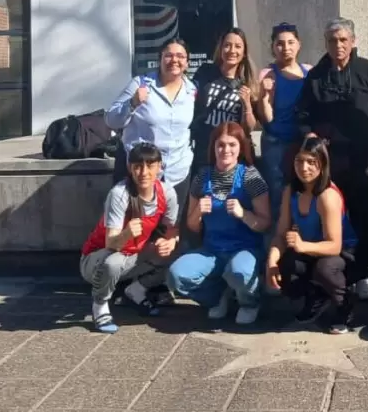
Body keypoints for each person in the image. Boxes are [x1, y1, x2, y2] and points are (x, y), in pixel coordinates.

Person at [296, 18, 368, 300]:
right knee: (330, 217)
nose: (338, 45)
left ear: (353, 41)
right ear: (326, 43)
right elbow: (302, 116)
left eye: (343, 40)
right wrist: (310, 136)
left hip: (362, 160)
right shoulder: (316, 76)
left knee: (363, 217)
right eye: (332, 40)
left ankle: (366, 272)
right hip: (327, 164)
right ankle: (331, 275)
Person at [168, 122, 271, 325]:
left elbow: (265, 223)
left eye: (232, 144)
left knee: (239, 272)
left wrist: (244, 214)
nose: (226, 150)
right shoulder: (202, 177)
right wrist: (198, 212)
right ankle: (217, 297)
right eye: (221, 145)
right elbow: (192, 226)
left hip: (245, 249)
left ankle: (249, 303)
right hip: (212, 251)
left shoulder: (251, 177)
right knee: (176, 275)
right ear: (213, 147)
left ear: (241, 147)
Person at [79, 143, 179, 333]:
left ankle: (136, 291)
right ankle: (100, 305)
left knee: (176, 254)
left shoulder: (167, 193)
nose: (144, 172)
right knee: (113, 262)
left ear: (159, 167)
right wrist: (126, 233)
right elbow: (110, 243)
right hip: (98, 259)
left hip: (134, 255)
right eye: (138, 166)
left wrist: (170, 241)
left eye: (150, 165)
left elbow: (171, 229)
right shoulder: (120, 194)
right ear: (129, 168)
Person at [266, 135, 358, 334]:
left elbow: (334, 246)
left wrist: (302, 246)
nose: (304, 167)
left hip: (343, 253)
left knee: (324, 268)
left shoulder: (327, 196)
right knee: (284, 267)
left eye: (311, 162)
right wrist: (271, 262)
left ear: (322, 165)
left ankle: (345, 305)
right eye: (299, 161)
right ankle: (317, 295)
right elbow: (280, 234)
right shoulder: (291, 191)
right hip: (310, 249)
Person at [105, 39, 195, 208]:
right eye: (168, 55)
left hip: (176, 173)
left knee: (171, 224)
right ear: (160, 59)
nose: (174, 60)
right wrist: (132, 103)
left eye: (180, 56)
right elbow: (111, 119)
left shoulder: (192, 91)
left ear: (187, 63)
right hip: (140, 172)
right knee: (133, 223)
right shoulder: (140, 83)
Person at [259, 23, 312, 224]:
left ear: (299, 44)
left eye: (291, 42)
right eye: (280, 43)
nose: (286, 48)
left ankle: (300, 234)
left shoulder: (309, 71)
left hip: (303, 143)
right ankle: (277, 236)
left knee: (303, 189)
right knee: (277, 194)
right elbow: (266, 118)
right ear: (273, 46)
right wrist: (264, 95)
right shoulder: (268, 74)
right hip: (276, 143)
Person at [191, 28, 259, 173]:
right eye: (227, 45)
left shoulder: (247, 84)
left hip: (229, 152)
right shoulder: (206, 72)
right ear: (220, 49)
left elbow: (249, 128)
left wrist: (247, 104)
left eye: (238, 46)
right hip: (203, 149)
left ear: (244, 53)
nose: (232, 50)